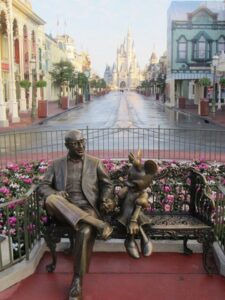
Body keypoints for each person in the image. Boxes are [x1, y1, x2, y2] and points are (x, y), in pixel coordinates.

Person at [38, 130, 113, 300]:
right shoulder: (56, 164)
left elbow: (107, 185)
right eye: (75, 144)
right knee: (50, 199)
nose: (81, 146)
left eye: (82, 142)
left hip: (87, 208)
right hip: (63, 208)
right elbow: (43, 186)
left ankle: (77, 279)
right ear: (67, 146)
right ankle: (98, 224)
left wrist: (105, 199)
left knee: (85, 231)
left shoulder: (95, 163)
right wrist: (57, 192)